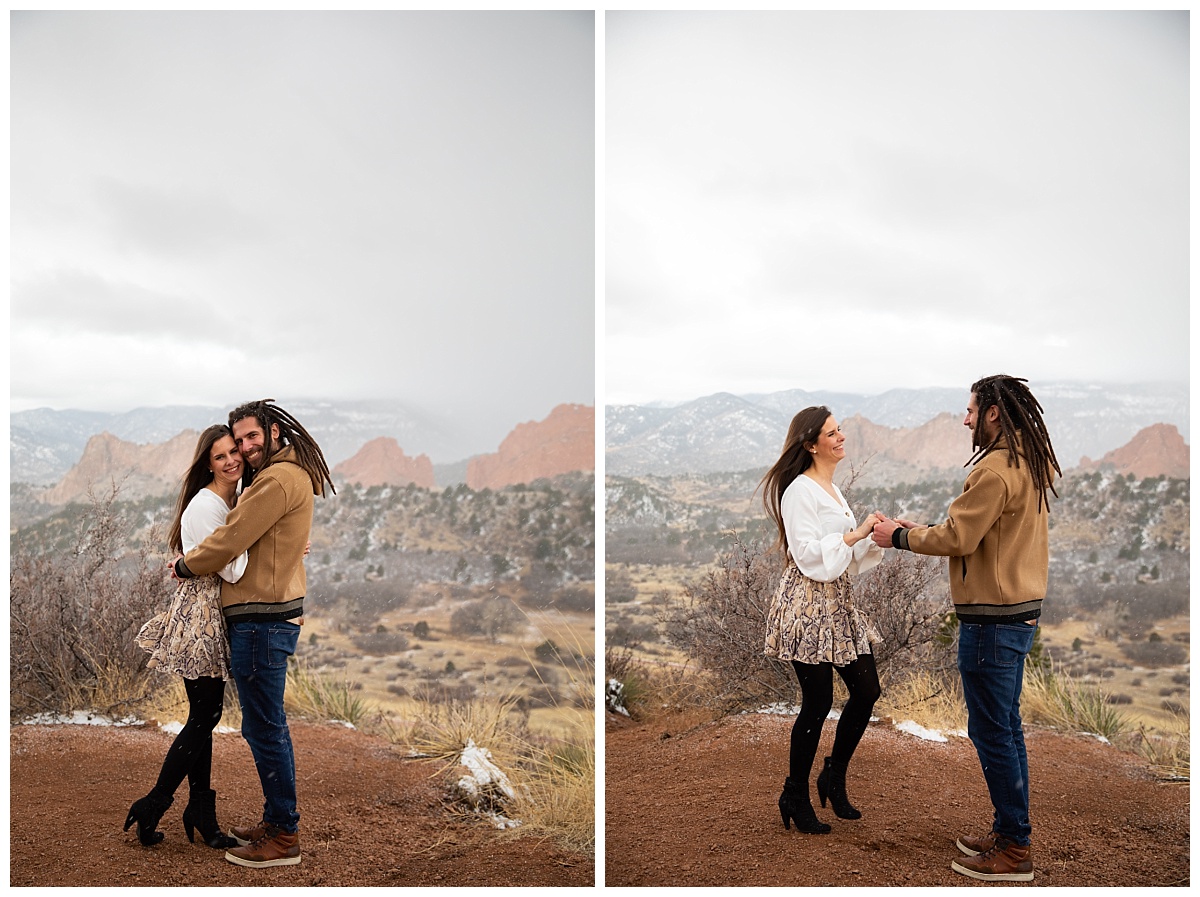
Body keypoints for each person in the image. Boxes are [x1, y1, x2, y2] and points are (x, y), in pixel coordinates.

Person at [872, 375, 1061, 883]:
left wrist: (900, 539)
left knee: (991, 730)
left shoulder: (995, 471)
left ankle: (1015, 849)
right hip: (1017, 613)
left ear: (995, 412)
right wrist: (913, 530)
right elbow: (981, 533)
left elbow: (959, 537)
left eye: (973, 409)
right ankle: (1008, 829)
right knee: (1007, 726)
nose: (966, 418)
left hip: (992, 621)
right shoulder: (1027, 459)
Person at [170, 398, 334, 869]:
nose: (244, 447)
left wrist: (186, 563)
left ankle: (284, 837)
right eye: (238, 440)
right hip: (265, 617)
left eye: (252, 437)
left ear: (274, 431)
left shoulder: (279, 479)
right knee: (264, 724)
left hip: (262, 621)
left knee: (264, 727)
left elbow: (231, 537)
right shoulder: (280, 476)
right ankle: (276, 820)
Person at [760, 406, 885, 834]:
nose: (841, 437)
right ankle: (794, 793)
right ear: (811, 444)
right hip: (807, 605)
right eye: (832, 433)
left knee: (867, 690)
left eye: (840, 430)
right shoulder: (800, 491)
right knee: (817, 703)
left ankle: (833, 773)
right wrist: (854, 534)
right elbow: (810, 555)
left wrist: (871, 536)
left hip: (838, 603)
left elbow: (844, 558)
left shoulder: (830, 489)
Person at [126, 425, 247, 849]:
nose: (231, 460)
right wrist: (261, 537)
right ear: (207, 464)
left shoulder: (227, 499)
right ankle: (155, 802)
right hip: (201, 617)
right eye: (220, 456)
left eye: (235, 451)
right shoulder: (208, 507)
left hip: (208, 612)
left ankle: (200, 810)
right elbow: (234, 569)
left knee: (204, 715)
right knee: (205, 715)